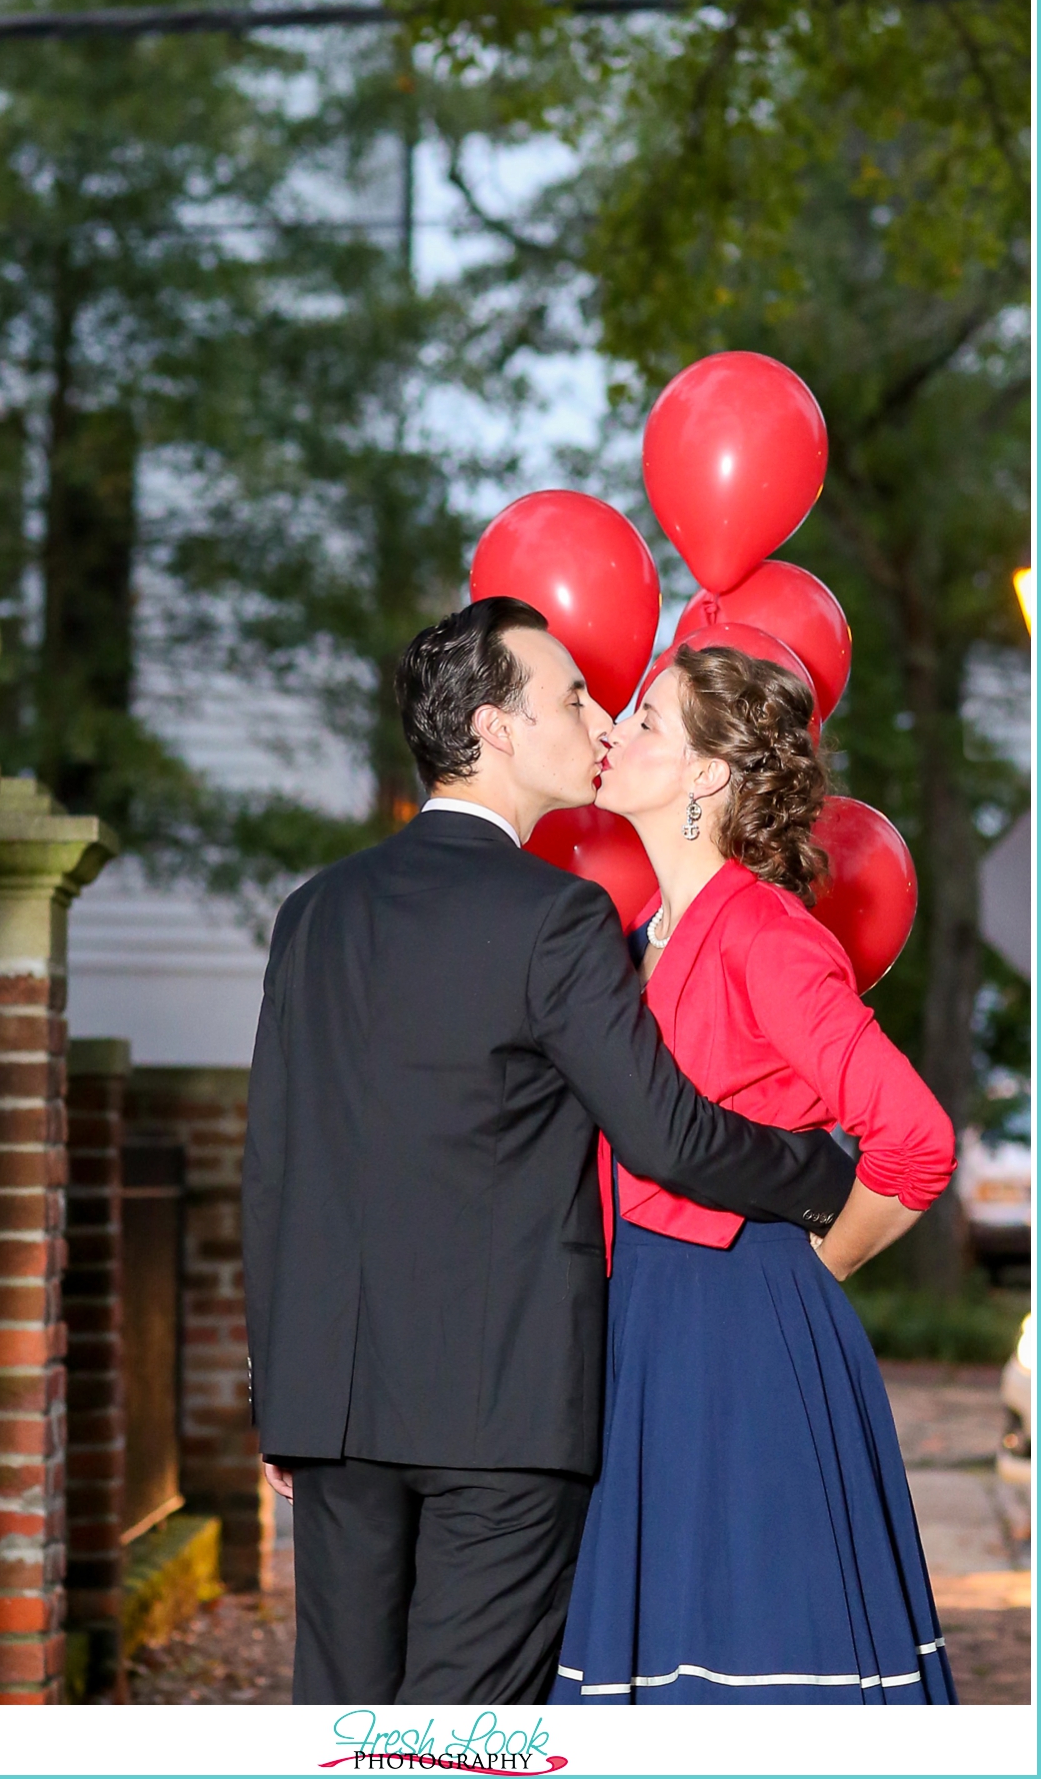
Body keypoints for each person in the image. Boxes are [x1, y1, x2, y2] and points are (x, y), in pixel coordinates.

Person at [242, 597, 857, 1706]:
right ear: (497, 728)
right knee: (469, 1731)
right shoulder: (557, 918)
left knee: (344, 1719)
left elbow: (276, 1165)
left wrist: (276, 1389)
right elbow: (666, 1133)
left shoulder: (313, 913)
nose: (596, 715)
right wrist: (824, 1173)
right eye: (571, 694)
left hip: (329, 1404)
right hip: (504, 1408)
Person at [550, 643, 958, 1706]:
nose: (615, 733)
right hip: (638, 1324)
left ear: (704, 775)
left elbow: (915, 1138)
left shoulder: (765, 934)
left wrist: (818, 1268)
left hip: (738, 1339)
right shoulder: (638, 934)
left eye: (645, 723)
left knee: (749, 1669)